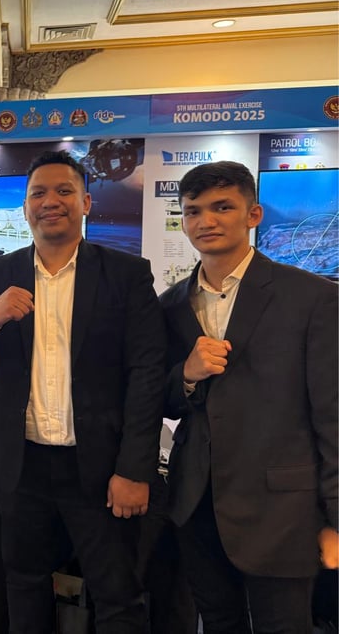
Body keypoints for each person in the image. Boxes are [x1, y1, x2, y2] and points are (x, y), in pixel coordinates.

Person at [0, 150, 166, 633]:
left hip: (101, 467)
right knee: (23, 587)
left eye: (64, 191)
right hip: (21, 467)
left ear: (86, 202)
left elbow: (147, 374)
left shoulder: (127, 274)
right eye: (38, 193)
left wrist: (134, 469)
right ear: (24, 207)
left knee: (117, 595)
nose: (50, 202)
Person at [160, 160, 338, 633]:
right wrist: (186, 375)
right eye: (193, 211)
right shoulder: (171, 304)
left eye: (222, 207)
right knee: (218, 623)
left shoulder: (312, 298)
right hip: (196, 503)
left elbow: (333, 416)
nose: (206, 221)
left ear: (253, 214)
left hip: (282, 511)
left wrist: (336, 519)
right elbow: (160, 399)